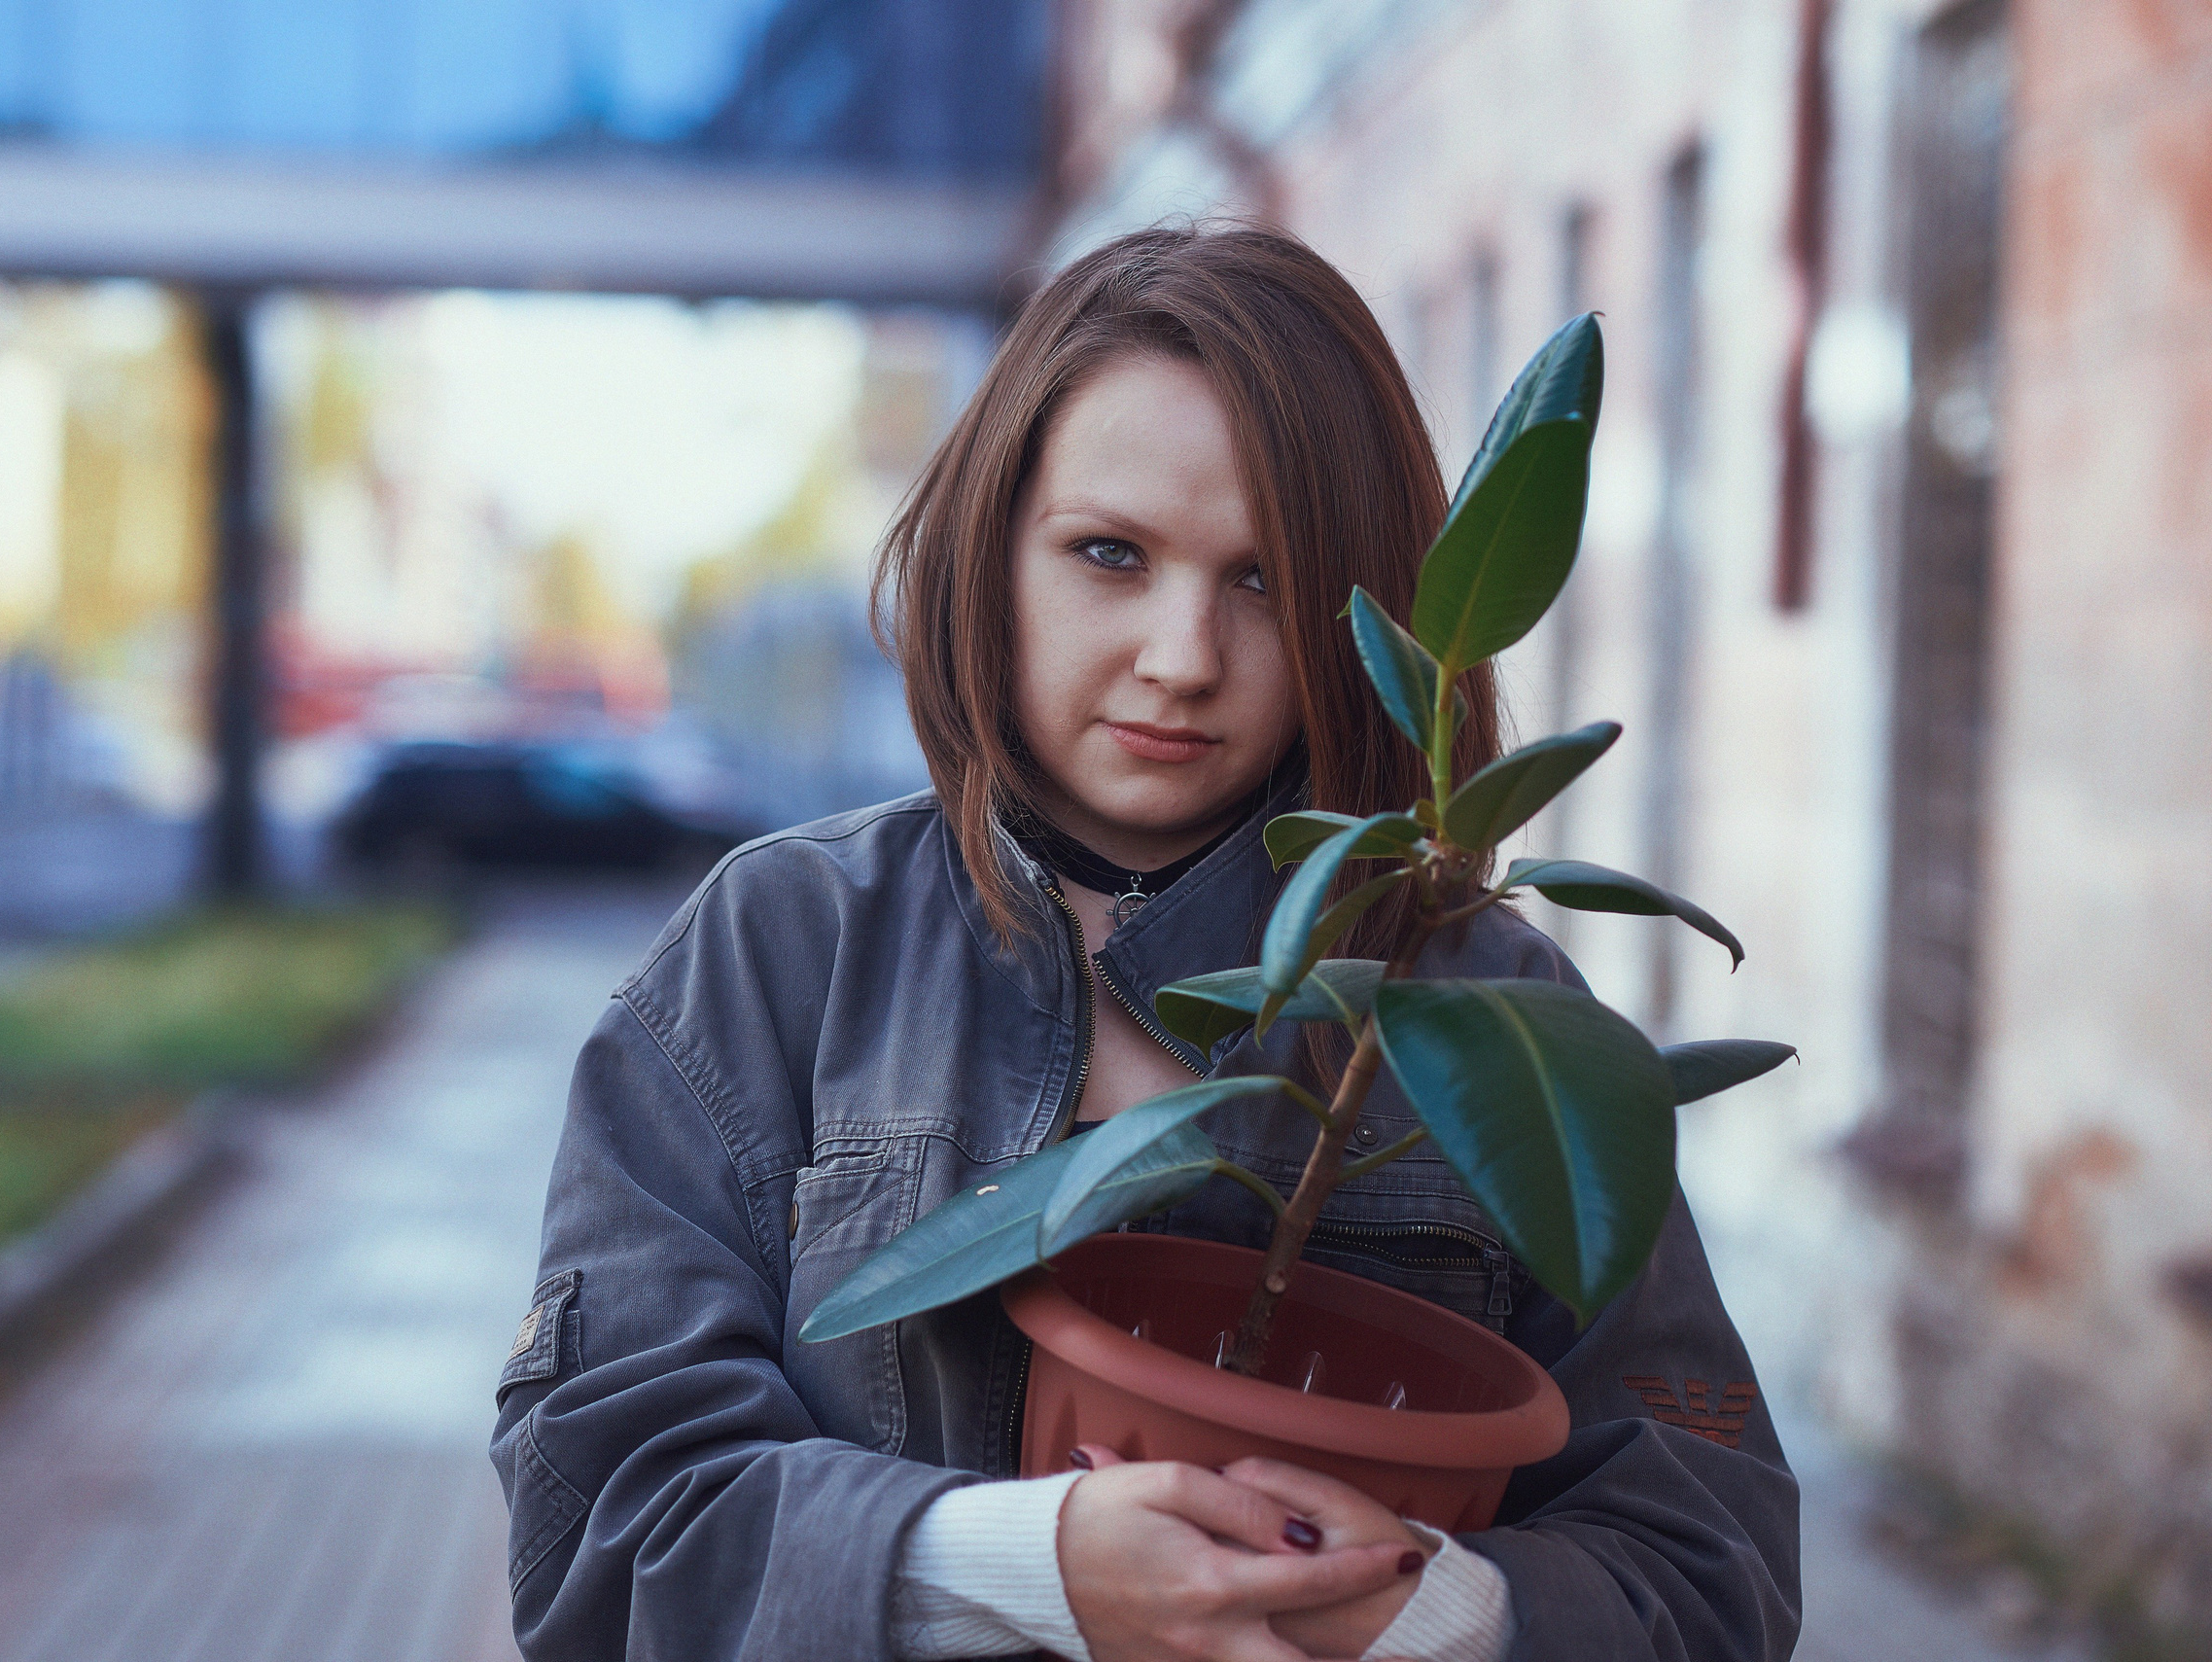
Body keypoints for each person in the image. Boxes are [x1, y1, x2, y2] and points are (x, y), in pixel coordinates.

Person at [490, 225, 1800, 1662]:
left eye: (1264, 580)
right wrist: (1021, 1569)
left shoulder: (1496, 1013)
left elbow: (1711, 1560)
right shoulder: (779, 951)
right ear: (992, 552)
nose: (1183, 654)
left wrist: (1433, 1614)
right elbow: (597, 1521)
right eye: (1111, 554)